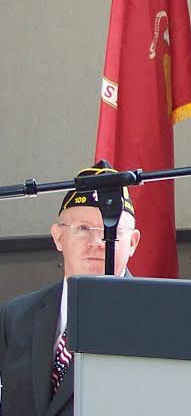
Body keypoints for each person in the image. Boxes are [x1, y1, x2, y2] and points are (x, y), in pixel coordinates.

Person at [0, 161, 140, 416]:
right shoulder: (16, 317)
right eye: (83, 229)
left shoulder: (154, 317)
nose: (98, 242)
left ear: (132, 243)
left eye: (112, 231)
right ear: (58, 237)